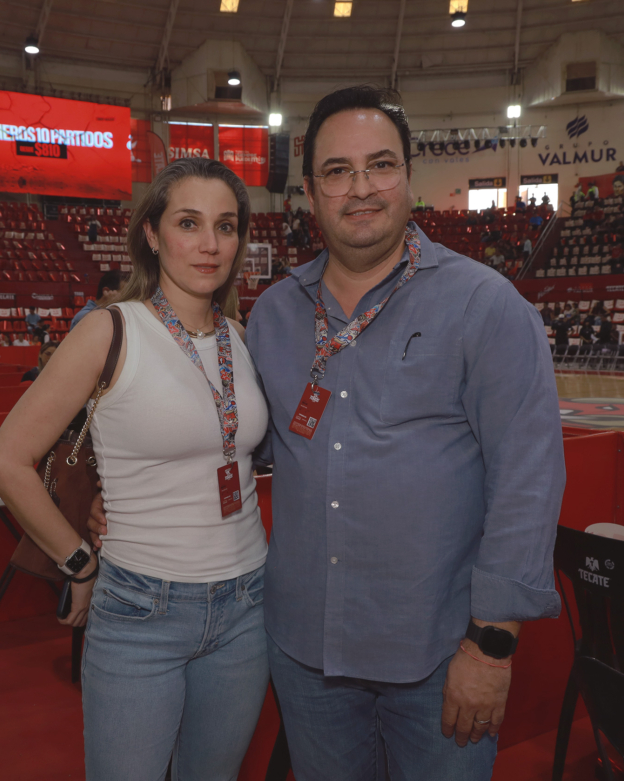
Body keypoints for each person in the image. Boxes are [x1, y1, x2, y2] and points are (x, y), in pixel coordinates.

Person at [88, 85, 564, 779]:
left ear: (408, 176)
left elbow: (528, 480)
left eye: (381, 165)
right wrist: (125, 499)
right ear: (310, 192)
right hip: (305, 654)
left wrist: (492, 646)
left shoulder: (485, 306)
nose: (361, 188)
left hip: (437, 654)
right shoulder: (276, 313)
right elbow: (242, 444)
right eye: (338, 171)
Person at [0, 158, 269, 779]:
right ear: (152, 234)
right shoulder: (109, 330)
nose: (210, 243)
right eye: (188, 223)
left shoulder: (241, 337)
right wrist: (79, 562)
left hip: (248, 601)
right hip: (142, 608)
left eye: (225, 226)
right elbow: (6, 461)